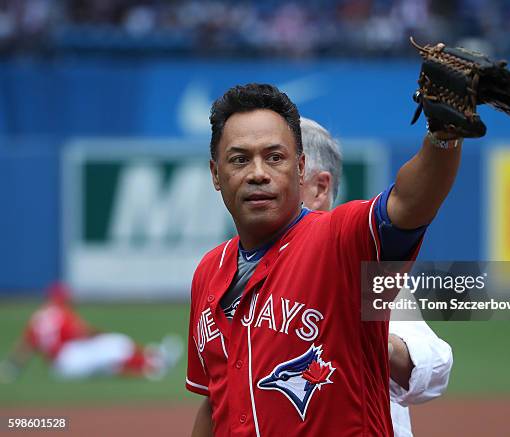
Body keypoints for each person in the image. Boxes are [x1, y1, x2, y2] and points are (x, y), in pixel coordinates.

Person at [187, 83, 463, 436]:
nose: (258, 173)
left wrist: (444, 135)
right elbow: (215, 399)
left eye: (274, 157)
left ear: (300, 169)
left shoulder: (343, 243)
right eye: (240, 159)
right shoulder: (210, 272)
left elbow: (410, 204)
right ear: (216, 174)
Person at [299, 117, 453, 437]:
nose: (258, 176)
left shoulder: (362, 263)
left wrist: (368, 339)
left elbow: (434, 366)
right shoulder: (237, 274)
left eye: (277, 161)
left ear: (318, 187)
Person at [0, 282, 182, 383]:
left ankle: (151, 364)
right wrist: (101, 334)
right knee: (115, 344)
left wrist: (12, 368)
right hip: (70, 358)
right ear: (61, 299)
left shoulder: (39, 318)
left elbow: (25, 347)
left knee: (108, 366)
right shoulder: (61, 314)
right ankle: (154, 361)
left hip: (59, 368)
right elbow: (83, 333)